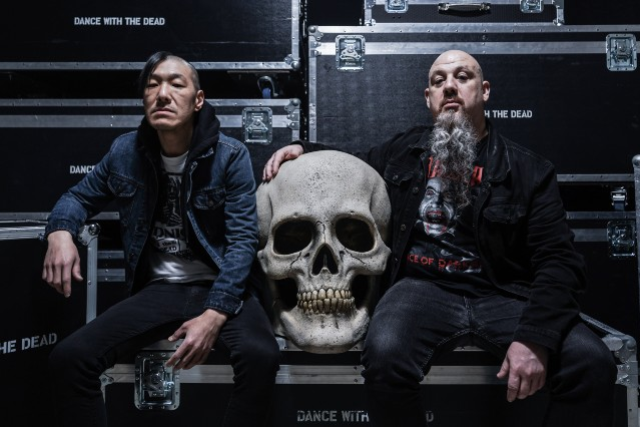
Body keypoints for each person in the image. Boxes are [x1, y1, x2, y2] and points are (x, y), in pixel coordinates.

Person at [263, 50, 617, 426]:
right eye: (438, 81)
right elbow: (353, 163)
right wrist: (304, 149)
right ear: (428, 98)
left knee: (591, 362)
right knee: (384, 355)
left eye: (462, 77)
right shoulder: (404, 152)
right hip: (421, 288)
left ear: (484, 91)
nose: (449, 86)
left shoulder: (528, 170)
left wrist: (534, 338)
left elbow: (560, 262)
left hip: (503, 293)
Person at [42, 51, 280, 427]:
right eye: (152, 85)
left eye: (176, 84)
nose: (162, 94)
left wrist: (214, 315)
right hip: (159, 290)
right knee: (70, 359)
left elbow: (242, 243)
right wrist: (60, 232)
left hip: (222, 287)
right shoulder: (124, 152)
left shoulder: (230, 156)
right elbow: (77, 198)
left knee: (261, 356)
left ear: (198, 100)